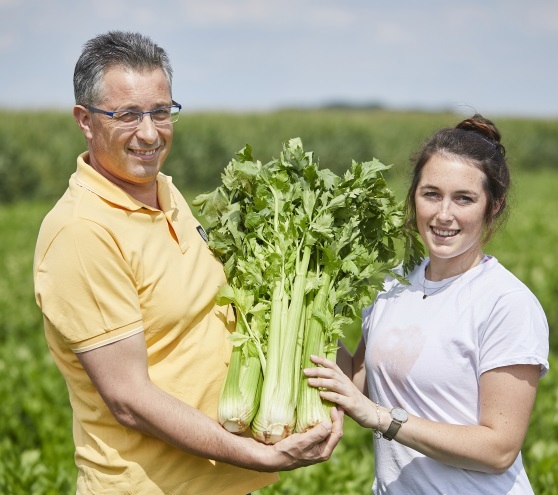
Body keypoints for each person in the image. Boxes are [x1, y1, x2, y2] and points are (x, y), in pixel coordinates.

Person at [33, 30, 343, 494]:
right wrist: (257, 454)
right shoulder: (82, 231)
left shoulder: (167, 193)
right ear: (85, 120)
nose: (149, 133)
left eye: (161, 111)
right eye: (127, 115)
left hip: (223, 481)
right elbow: (129, 400)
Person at [304, 114, 549, 494]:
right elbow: (362, 386)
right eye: (431, 194)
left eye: (464, 199)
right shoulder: (395, 284)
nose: (443, 214)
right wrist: (305, 299)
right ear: (413, 195)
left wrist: (384, 419)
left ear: (494, 206)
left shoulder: (506, 303)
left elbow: (499, 448)